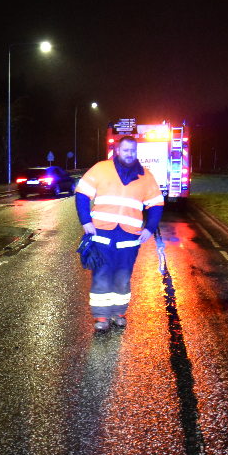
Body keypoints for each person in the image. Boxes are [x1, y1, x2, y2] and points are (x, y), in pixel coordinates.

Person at [74, 136, 164, 331]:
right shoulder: (101, 168)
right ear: (117, 151)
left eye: (133, 150)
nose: (129, 153)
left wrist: (150, 228)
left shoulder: (145, 176)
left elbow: (156, 204)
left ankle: (119, 313)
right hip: (101, 232)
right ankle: (101, 318)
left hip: (130, 236)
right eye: (125, 150)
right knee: (102, 274)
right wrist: (85, 221)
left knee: (123, 276)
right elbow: (82, 194)